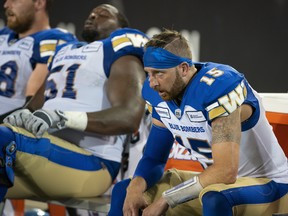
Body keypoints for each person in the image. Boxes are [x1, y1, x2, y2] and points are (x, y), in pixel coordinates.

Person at [109, 29, 288, 216]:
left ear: (184, 69)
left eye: (159, 73)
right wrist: (135, 186)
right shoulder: (159, 92)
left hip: (269, 184)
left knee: (215, 198)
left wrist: (166, 199)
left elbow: (226, 171)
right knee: (124, 191)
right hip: (217, 185)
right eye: (149, 73)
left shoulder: (218, 86)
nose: (152, 83)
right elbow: (154, 158)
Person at [1, 4, 149, 202]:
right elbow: (34, 106)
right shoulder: (64, 51)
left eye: (103, 14)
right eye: (91, 14)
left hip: (93, 160)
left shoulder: (119, 51)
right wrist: (23, 114)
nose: (93, 16)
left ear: (121, 28)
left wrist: (63, 118)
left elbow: (129, 117)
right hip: (43, 149)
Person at [0, 0, 77, 122]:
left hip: (11, 125)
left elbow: (31, 107)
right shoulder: (3, 35)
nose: (6, 5)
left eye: (14, 0)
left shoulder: (53, 39)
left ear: (39, 3)